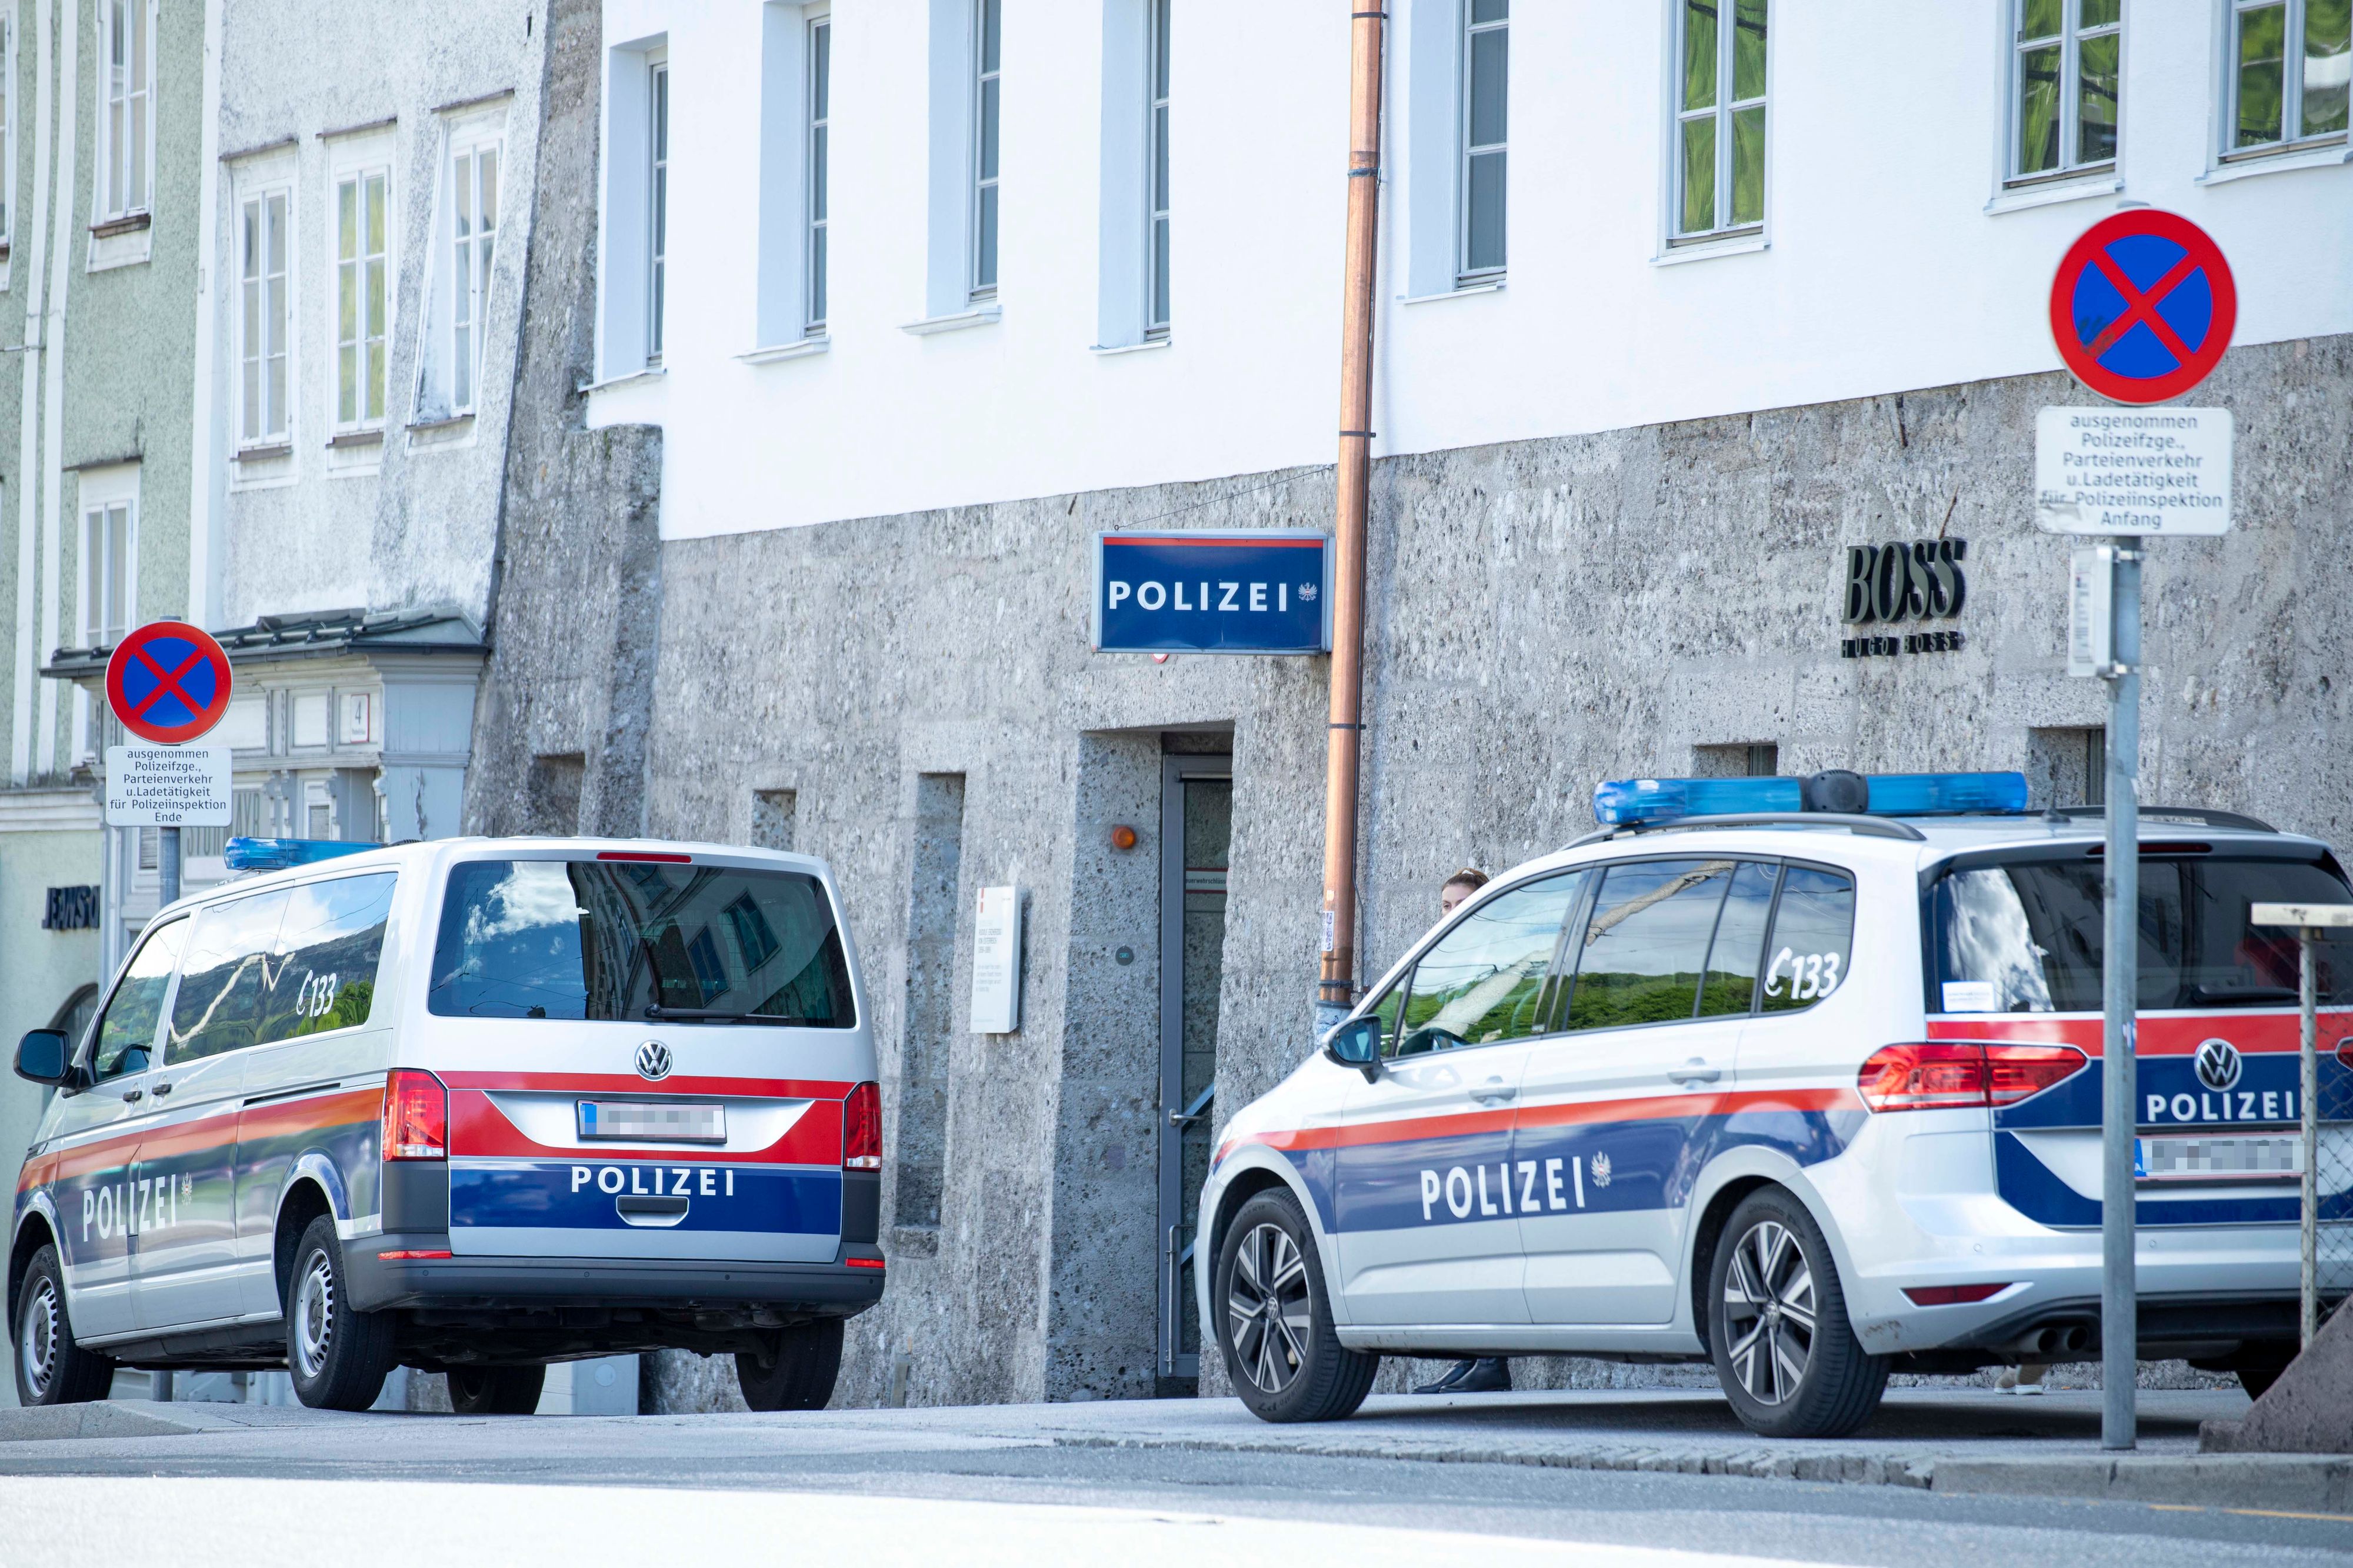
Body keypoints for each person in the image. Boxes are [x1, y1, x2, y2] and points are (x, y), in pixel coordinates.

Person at [1416, 868, 1514, 1396]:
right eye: (1444, 906)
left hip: (1485, 1117)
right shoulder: (1444, 972)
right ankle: (1471, 1358)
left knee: (1484, 1239)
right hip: (1448, 1116)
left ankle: (1490, 1361)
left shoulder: (1495, 969)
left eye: (1460, 907)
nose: (1449, 916)